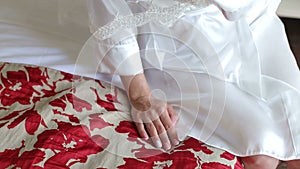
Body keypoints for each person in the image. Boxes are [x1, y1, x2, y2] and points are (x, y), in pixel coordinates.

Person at [85, 0, 300, 168]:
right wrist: (141, 96)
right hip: (180, 51)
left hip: (254, 27)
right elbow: (112, 16)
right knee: (261, 152)